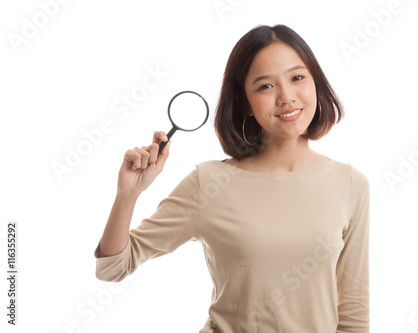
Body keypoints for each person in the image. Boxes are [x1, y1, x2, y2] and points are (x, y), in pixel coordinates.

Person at [94, 24, 370, 332]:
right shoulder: (210, 182)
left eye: (297, 78)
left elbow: (353, 312)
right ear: (244, 103)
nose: (286, 97)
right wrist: (128, 194)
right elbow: (112, 268)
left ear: (316, 82)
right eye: (265, 86)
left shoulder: (350, 185)